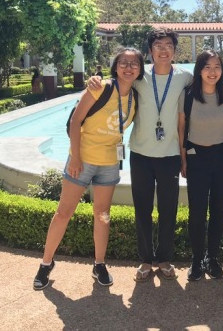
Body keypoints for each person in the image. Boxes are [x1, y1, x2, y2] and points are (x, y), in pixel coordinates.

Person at [33, 47, 144, 289]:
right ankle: (45, 263)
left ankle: (99, 264)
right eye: (123, 62)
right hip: (81, 160)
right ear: (115, 67)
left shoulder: (135, 97)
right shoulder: (100, 88)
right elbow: (75, 120)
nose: (128, 67)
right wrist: (75, 157)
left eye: (134, 64)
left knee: (102, 215)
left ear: (140, 69)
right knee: (64, 212)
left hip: (109, 163)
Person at [89, 28, 192, 281]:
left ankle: (165, 258)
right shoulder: (138, 75)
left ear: (174, 50)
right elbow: (115, 83)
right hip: (141, 154)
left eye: (168, 45)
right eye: (158, 46)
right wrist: (94, 81)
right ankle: (146, 260)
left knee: (168, 210)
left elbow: (210, 82)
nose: (164, 50)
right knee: (142, 209)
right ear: (150, 51)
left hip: (169, 156)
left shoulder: (184, 77)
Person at [178, 50, 223, 281]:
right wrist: (183, 159)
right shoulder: (189, 95)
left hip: (222, 156)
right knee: (197, 211)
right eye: (207, 67)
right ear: (199, 70)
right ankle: (196, 259)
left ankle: (213, 258)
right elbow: (182, 128)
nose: (212, 72)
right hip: (196, 156)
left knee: (218, 210)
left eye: (217, 67)